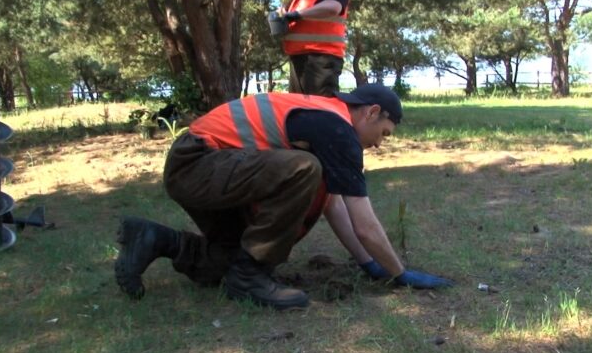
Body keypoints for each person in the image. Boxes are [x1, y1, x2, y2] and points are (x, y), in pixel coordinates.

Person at [114, 83, 453, 310]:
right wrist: (400, 273)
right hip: (198, 163)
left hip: (206, 167)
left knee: (228, 260)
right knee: (305, 169)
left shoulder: (325, 118)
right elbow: (364, 223)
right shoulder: (336, 128)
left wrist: (368, 263)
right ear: (371, 112)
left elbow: (333, 204)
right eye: (384, 133)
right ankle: (251, 277)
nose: (380, 142)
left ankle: (155, 239)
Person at [281, 0, 349, 96]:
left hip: (321, 59)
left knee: (320, 109)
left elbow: (333, 7)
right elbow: (290, 14)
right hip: (299, 59)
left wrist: (298, 15)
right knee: (298, 109)